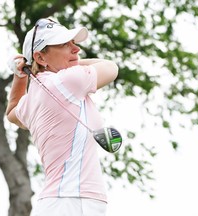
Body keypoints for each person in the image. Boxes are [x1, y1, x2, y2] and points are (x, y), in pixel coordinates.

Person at [6, 18, 118, 216]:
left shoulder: (35, 95)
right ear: (41, 58)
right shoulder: (67, 80)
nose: (76, 50)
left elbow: (12, 112)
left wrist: (20, 75)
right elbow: (111, 67)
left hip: (61, 201)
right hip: (73, 202)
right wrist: (71, 65)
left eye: (74, 43)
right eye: (65, 45)